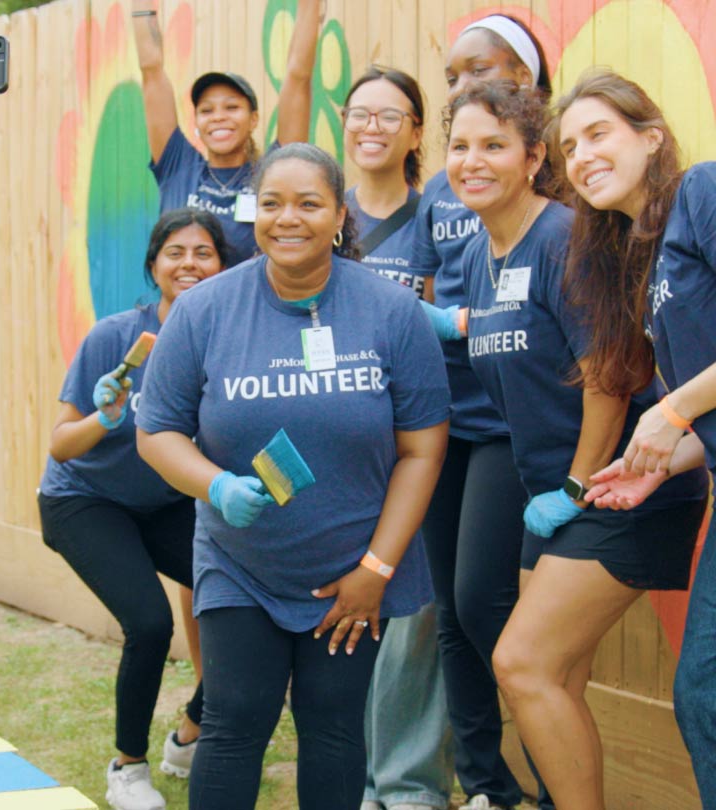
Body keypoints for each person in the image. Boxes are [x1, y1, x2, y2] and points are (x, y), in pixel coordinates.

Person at [136, 142, 450, 810]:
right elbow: (156, 431)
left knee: (334, 727)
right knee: (235, 718)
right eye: (271, 203)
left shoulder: (391, 312)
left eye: (309, 203)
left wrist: (377, 570)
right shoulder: (203, 310)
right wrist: (213, 484)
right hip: (238, 562)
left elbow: (423, 450)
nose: (288, 219)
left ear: (340, 213)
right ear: (251, 212)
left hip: (351, 572)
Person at [437, 79, 707, 810]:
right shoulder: (486, 255)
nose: (473, 161)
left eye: (495, 145)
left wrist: (580, 483)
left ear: (531, 161)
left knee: (522, 664)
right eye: (459, 147)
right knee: (555, 679)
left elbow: (610, 380)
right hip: (580, 486)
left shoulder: (577, 234)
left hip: (603, 489)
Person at [286, 58, 456, 810]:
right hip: (335, 453)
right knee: (335, 612)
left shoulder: (440, 219)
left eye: (392, 114)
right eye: (360, 112)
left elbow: (459, 327)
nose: (373, 127)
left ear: (417, 131)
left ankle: (410, 785)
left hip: (418, 449)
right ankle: (346, 776)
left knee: (413, 619)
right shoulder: (322, 213)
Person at [551, 68, 716, 806]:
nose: (581, 156)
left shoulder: (703, 193)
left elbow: (685, 400)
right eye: (568, 148)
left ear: (651, 139)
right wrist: (658, 460)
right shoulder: (641, 258)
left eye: (598, 134)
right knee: (704, 696)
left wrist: (670, 410)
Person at [39, 207, 234, 810]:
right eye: (175, 252)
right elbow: (60, 443)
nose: (190, 263)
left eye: (204, 252)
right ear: (154, 266)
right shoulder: (118, 337)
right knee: (150, 624)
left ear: (223, 266)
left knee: (242, 596)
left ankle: (192, 731)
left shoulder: (227, 341)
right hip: (84, 500)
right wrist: (106, 416)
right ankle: (127, 767)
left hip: (163, 501)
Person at [409, 15, 556, 810]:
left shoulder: (556, 182)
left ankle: (548, 782)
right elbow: (433, 291)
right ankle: (487, 786)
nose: (467, 84)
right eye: (455, 74)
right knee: (453, 617)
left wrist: (471, 325)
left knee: (482, 601)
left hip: (510, 422)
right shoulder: (442, 188)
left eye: (486, 69)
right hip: (447, 422)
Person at [129, 0, 321, 262]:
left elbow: (298, 77)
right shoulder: (178, 167)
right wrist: (142, 9)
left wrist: (310, 6)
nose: (219, 117)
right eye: (207, 111)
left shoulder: (273, 172)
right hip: (185, 301)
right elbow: (151, 70)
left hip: (250, 302)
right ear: (196, 122)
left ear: (253, 119)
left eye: (232, 107)